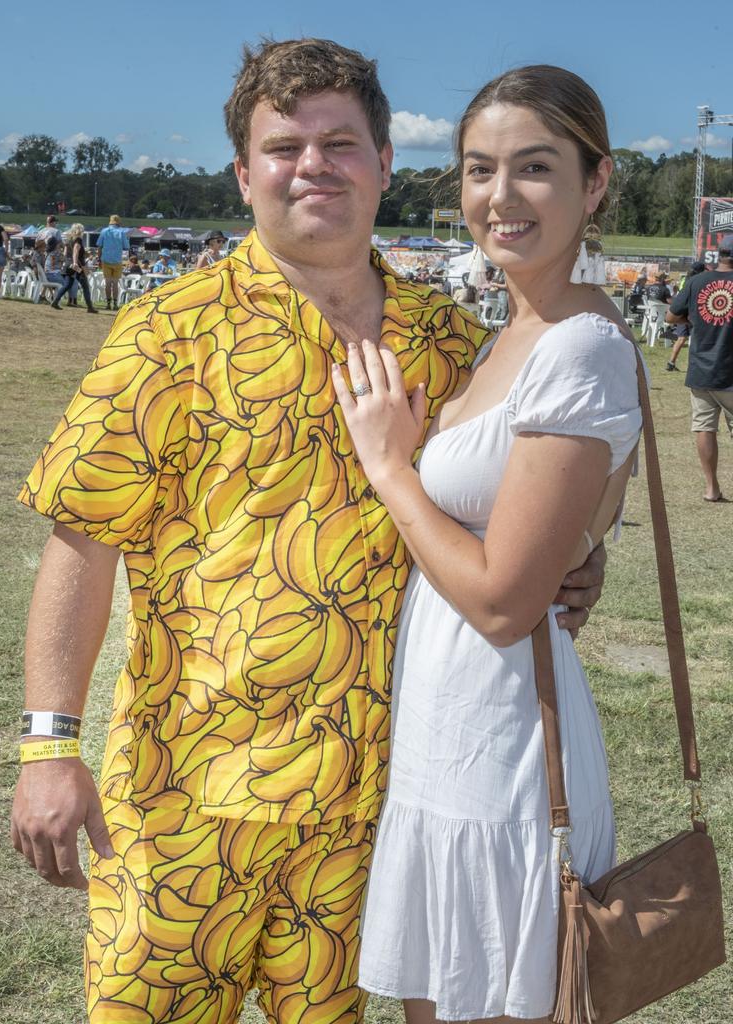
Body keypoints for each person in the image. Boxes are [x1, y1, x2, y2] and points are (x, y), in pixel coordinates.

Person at [11, 39, 603, 1024]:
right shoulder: (165, 333)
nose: (313, 165)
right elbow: (83, 542)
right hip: (182, 806)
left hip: (364, 815)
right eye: (284, 147)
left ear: (382, 163)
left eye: (341, 142)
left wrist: (579, 566)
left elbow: (524, 504)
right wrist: (47, 748)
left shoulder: (453, 344)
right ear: (245, 175)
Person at [336, 65, 642, 1024]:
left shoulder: (581, 346)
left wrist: (391, 469)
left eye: (536, 168)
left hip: (507, 757)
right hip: (450, 743)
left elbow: (509, 602)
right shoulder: (506, 333)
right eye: (478, 169)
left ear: (595, 185)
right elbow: (562, 536)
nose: (500, 196)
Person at [666, 235, 733, 502]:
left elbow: (671, 316)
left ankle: (711, 488)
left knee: (705, 428)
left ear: (719, 255)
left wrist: (695, 317)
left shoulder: (696, 282)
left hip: (702, 370)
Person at [666, 260, 705, 371]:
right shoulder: (698, 282)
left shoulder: (684, 280)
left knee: (681, 338)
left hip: (681, 313)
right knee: (696, 340)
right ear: (701, 271)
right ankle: (694, 365)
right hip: (692, 313)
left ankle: (671, 362)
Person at [50, 223, 97, 313]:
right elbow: (75, 251)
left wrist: (65, 262)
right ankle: (90, 307)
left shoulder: (69, 240)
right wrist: (75, 262)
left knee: (67, 285)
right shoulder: (78, 239)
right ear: (80, 230)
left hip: (68, 265)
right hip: (76, 265)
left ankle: (55, 301)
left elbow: (65, 253)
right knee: (85, 285)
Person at [96, 214, 130, 310]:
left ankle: (108, 303)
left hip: (105, 259)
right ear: (118, 223)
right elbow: (126, 247)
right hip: (117, 261)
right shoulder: (122, 232)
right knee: (115, 283)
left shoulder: (104, 231)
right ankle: (115, 304)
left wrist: (99, 259)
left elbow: (99, 246)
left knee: (107, 282)